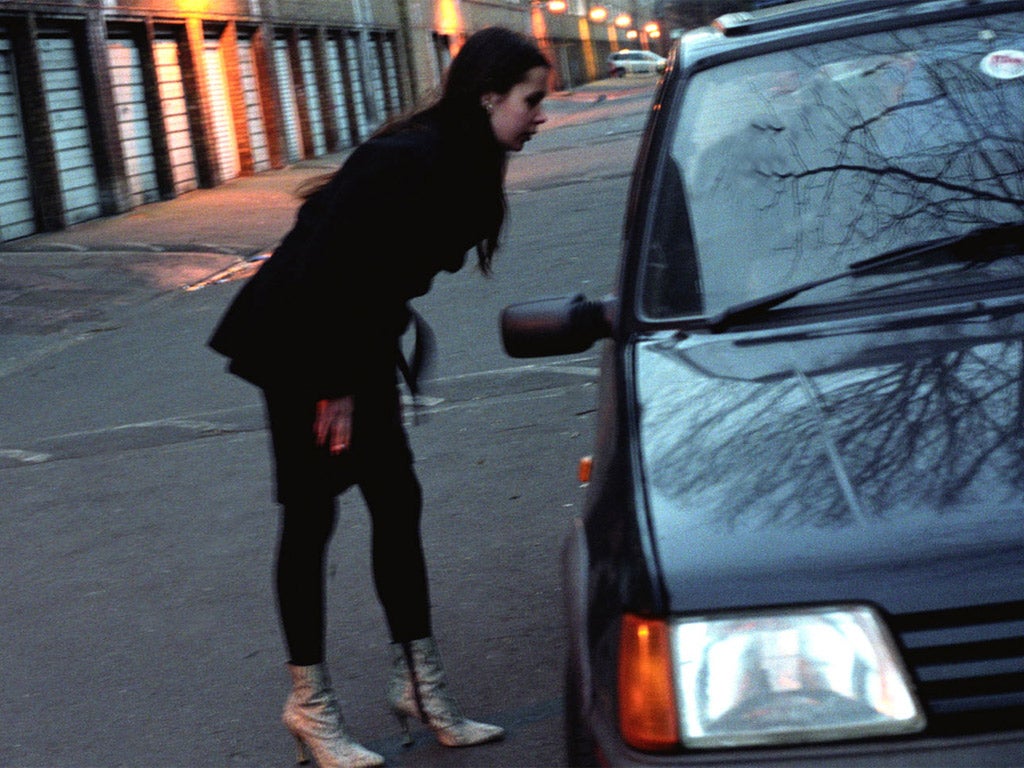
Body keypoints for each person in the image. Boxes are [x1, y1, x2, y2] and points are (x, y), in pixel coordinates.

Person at [208, 26, 550, 768]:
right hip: (301, 340)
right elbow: (327, 260)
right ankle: (309, 705)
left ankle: (420, 688)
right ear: (490, 95)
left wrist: (355, 369)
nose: (540, 115)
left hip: (353, 337)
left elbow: (378, 278)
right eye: (532, 100)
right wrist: (333, 384)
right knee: (311, 517)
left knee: (397, 501)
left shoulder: (464, 161)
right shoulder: (410, 158)